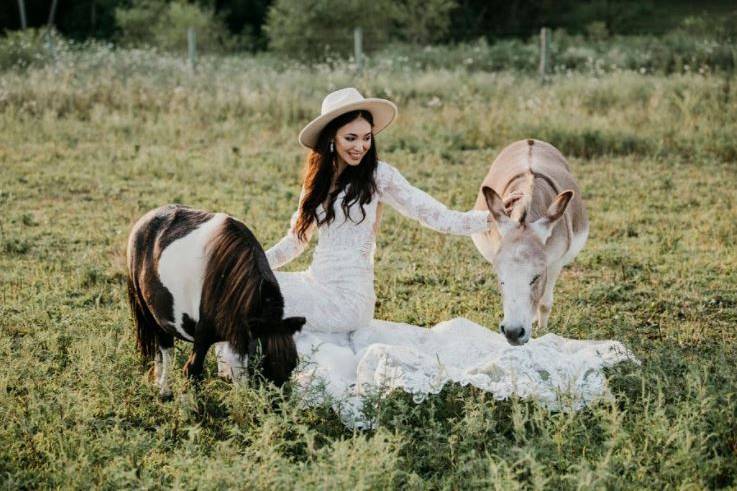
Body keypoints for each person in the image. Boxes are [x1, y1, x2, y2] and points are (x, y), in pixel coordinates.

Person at [216, 88, 635, 428]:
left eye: (366, 138)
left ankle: (244, 381)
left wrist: (488, 219)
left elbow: (432, 214)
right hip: (316, 281)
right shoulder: (317, 185)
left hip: (348, 297)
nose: (361, 146)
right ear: (331, 139)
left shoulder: (380, 177)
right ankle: (254, 370)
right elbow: (295, 242)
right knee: (250, 290)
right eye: (351, 138)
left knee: (253, 302)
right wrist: (253, 266)